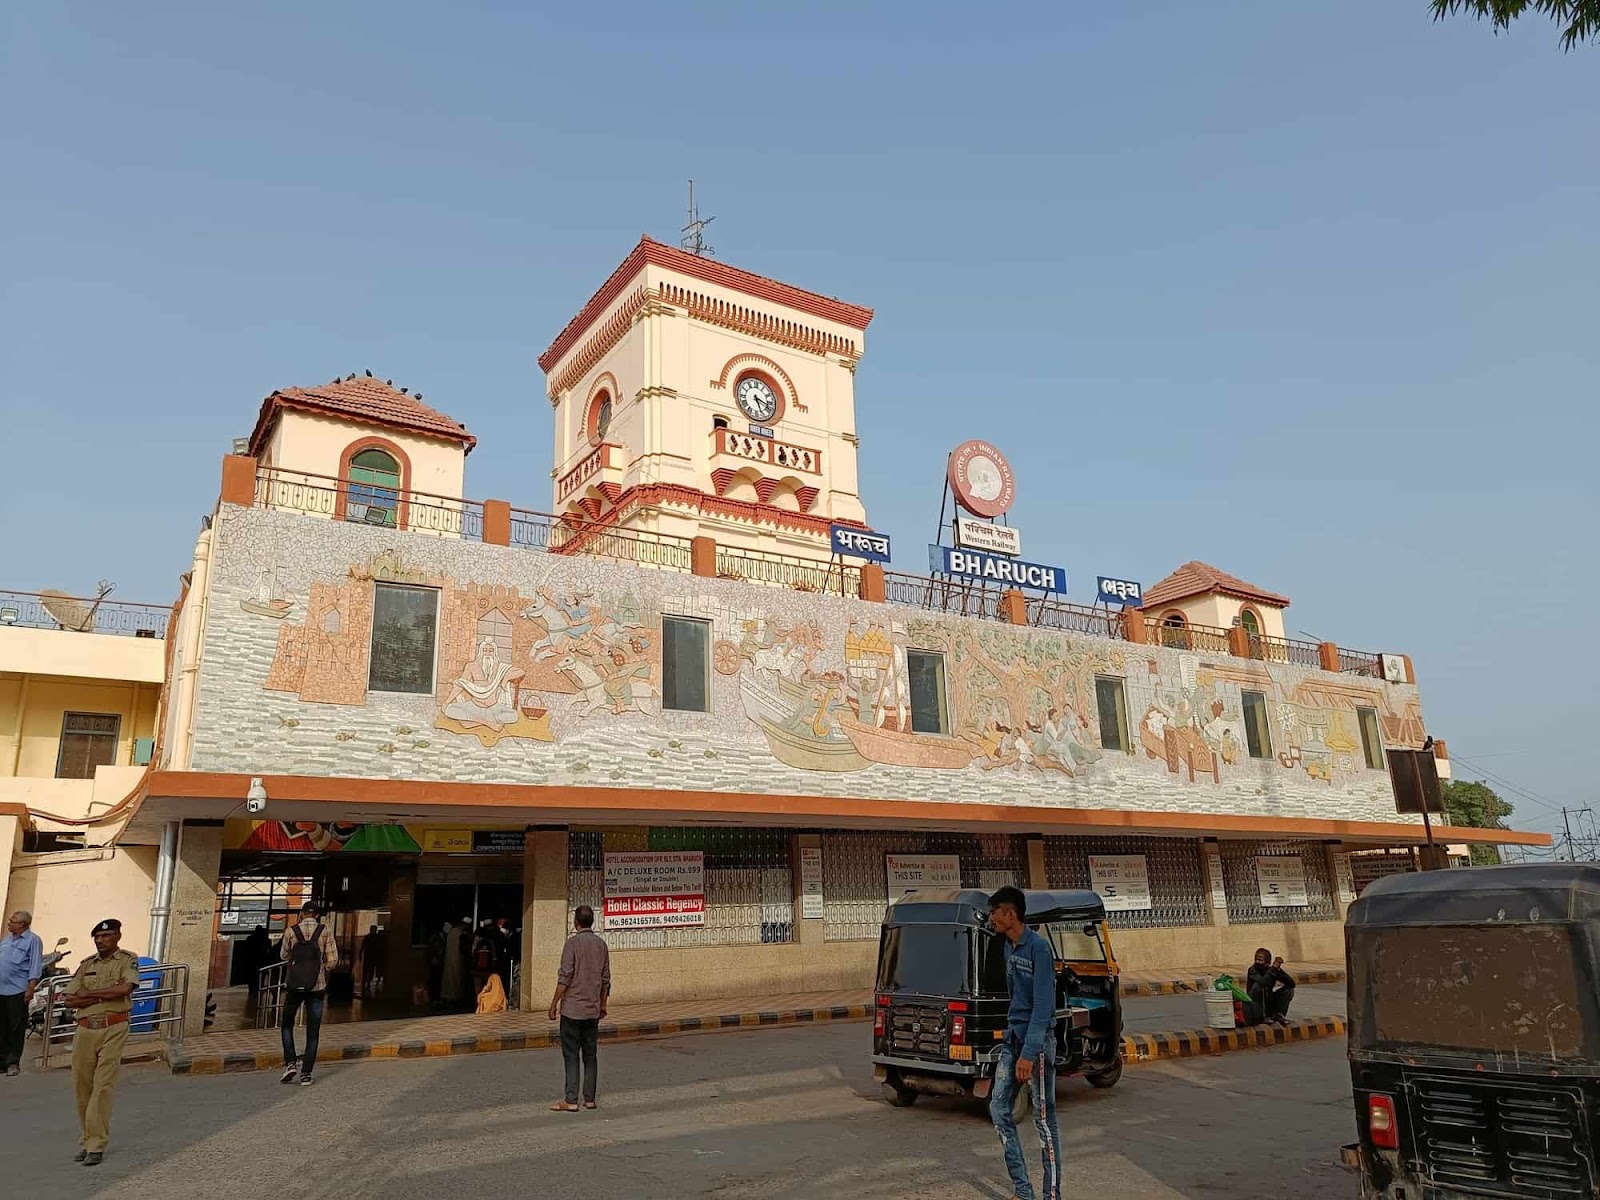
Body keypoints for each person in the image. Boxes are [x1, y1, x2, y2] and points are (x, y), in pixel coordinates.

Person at [987, 887, 1061, 1200]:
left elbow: (1043, 1005)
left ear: (1010, 914)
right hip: (1014, 1036)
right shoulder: (1007, 947)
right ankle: (1023, 1190)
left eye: (995, 912)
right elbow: (1015, 996)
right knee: (999, 1108)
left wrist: (1029, 1053)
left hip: (1037, 1041)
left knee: (1043, 1119)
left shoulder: (1038, 949)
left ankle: (1052, 1195)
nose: (991, 918)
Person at [60, 918, 141, 1166]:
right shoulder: (86, 965)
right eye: (97, 937)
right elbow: (69, 999)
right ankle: (86, 1139)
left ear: (117, 936)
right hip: (84, 1030)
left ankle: (96, 1144)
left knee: (102, 1085)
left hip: (114, 1027)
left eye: (106, 936)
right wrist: (103, 995)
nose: (100, 940)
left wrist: (90, 995)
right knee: (82, 1088)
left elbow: (125, 990)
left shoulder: (128, 960)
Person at [547, 904, 610, 1113]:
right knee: (590, 1055)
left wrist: (553, 1003)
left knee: (571, 1055)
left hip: (572, 1010)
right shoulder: (601, 945)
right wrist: (603, 1004)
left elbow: (565, 977)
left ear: (576, 922)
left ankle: (571, 1099)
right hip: (592, 1011)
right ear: (591, 921)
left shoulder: (571, 945)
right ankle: (589, 1099)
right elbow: (606, 979)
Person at [278, 902, 338, 1087]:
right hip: (316, 987)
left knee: (287, 1025)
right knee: (313, 1031)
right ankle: (306, 1073)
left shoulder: (291, 931)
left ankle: (290, 1063)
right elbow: (333, 961)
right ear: (317, 915)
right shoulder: (325, 930)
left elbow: (284, 955)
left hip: (295, 986)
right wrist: (320, 968)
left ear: (302, 914)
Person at [1, 910, 45, 1077]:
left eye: (12, 921)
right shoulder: (7, 939)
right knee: (2, 1027)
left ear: (22, 924)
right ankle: (1, 1063)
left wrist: (30, 989)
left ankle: (13, 1063)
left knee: (15, 1028)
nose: (9, 923)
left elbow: (35, 966)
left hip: (18, 991)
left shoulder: (33, 941)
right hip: (1, 990)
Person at [1246, 948, 1296, 1026]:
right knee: (1258, 986)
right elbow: (1262, 982)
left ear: (1267, 962)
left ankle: (1279, 1014)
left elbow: (1291, 983)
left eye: (1260, 960)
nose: (1257, 962)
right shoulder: (1252, 970)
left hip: (1269, 1001)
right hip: (1255, 1004)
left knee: (1289, 990)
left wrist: (1279, 971)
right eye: (1256, 959)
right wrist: (1272, 970)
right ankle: (1262, 1016)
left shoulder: (1271, 970)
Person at [441, 918, 467, 1008]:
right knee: (456, 980)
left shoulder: (450, 932)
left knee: (448, 978)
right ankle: (455, 998)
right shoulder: (461, 934)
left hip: (449, 960)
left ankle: (447, 997)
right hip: (458, 960)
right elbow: (463, 948)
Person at [357, 925, 386, 1000]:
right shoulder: (377, 938)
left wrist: (360, 955)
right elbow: (380, 948)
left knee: (367, 971)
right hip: (373, 957)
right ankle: (367, 983)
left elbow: (362, 947)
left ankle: (365, 983)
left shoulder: (367, 937)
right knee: (370, 971)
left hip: (368, 957)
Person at [242, 925, 272, 996]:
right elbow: (269, 951)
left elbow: (245, 950)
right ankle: (258, 991)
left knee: (252, 979)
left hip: (252, 962)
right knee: (260, 978)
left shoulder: (250, 938)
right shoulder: (266, 940)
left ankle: (252, 992)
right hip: (261, 962)